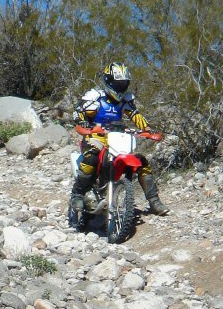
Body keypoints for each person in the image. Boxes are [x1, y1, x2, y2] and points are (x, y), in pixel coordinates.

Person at [69, 62, 170, 228]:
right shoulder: (95, 97)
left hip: (117, 135)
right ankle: (77, 194)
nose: (121, 87)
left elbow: (136, 115)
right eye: (118, 83)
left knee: (141, 161)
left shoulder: (125, 100)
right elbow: (78, 113)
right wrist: (87, 125)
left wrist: (147, 130)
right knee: (93, 156)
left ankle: (154, 201)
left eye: (123, 84)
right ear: (109, 81)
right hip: (96, 135)